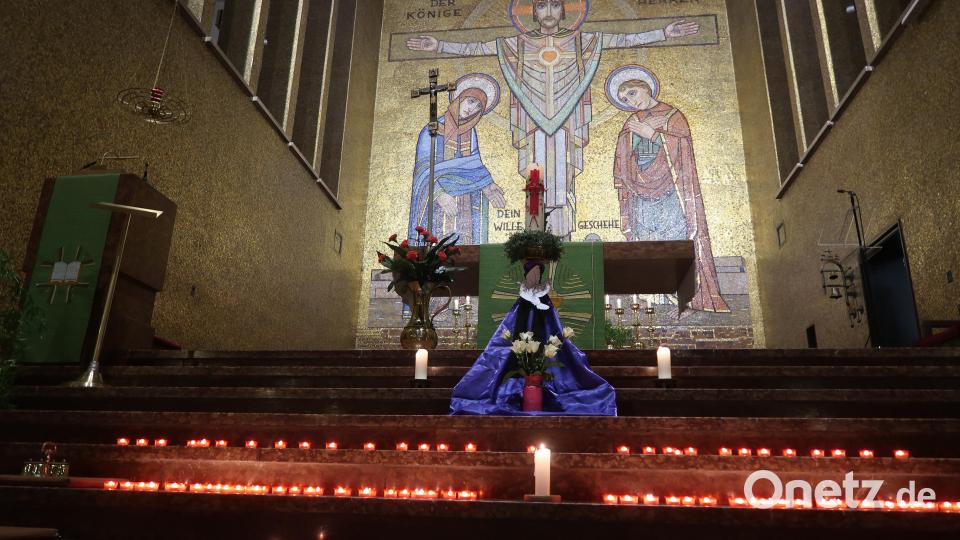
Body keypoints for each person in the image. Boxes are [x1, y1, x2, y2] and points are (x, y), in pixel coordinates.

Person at [407, 0, 699, 239]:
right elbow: (476, 47)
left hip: (566, 125)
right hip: (533, 126)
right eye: (542, 6)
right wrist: (440, 45)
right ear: (533, 12)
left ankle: (562, 238)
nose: (548, 12)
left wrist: (663, 33)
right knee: (536, 182)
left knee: (562, 181)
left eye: (555, 6)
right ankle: (534, 239)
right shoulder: (518, 44)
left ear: (564, 11)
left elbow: (624, 39)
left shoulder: (582, 41)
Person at [610, 67, 730, 313]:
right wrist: (636, 140)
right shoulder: (631, 122)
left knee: (675, 235)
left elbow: (683, 148)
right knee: (647, 239)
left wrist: (654, 135)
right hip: (641, 193)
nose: (631, 101)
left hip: (672, 192)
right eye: (625, 99)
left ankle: (681, 294)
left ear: (646, 87)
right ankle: (654, 297)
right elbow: (623, 158)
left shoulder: (673, 116)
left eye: (632, 93)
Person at [450, 259, 617, 416]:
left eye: (537, 274)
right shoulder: (523, 295)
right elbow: (527, 297)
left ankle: (540, 386)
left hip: (542, 316)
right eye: (532, 273)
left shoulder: (543, 295)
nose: (534, 277)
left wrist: (544, 291)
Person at [408, 84, 506, 245]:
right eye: (471, 101)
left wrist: (488, 186)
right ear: (459, 99)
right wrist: (438, 194)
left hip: (464, 203)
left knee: (465, 248)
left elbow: (473, 165)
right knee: (436, 247)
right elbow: (422, 170)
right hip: (438, 203)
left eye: (478, 106)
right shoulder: (431, 130)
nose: (472, 108)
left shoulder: (470, 132)